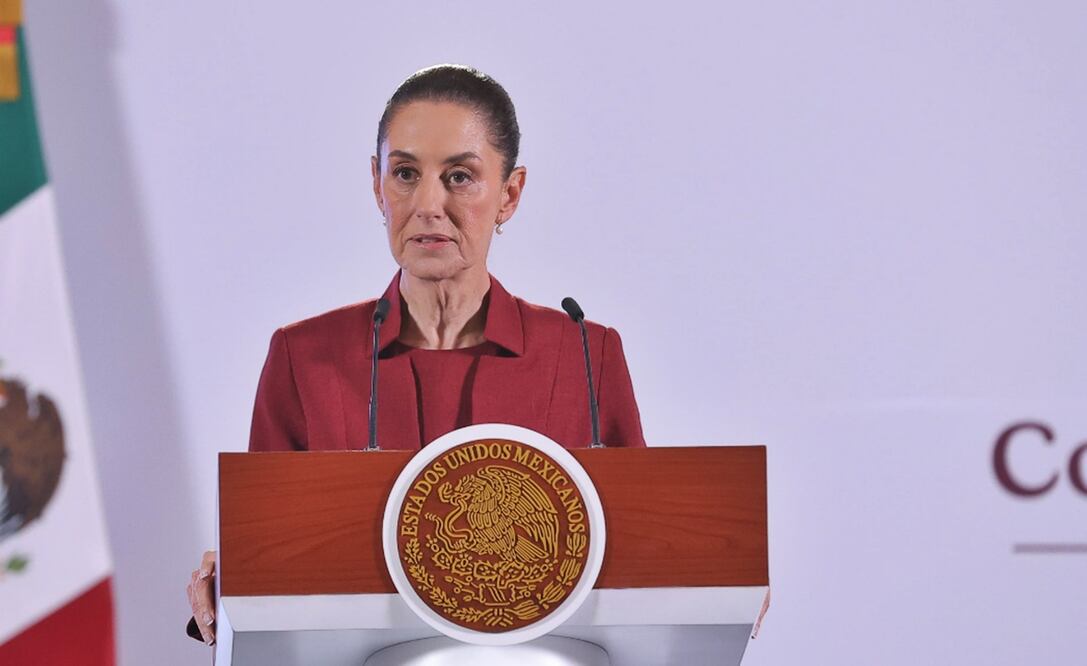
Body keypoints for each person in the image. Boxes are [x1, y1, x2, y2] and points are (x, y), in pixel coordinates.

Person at [186, 64, 645, 645]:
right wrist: (230, 583)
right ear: (377, 183)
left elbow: (639, 553)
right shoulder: (304, 358)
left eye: (459, 177)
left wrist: (718, 582)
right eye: (405, 173)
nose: (428, 204)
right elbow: (272, 557)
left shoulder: (584, 352)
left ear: (510, 193)